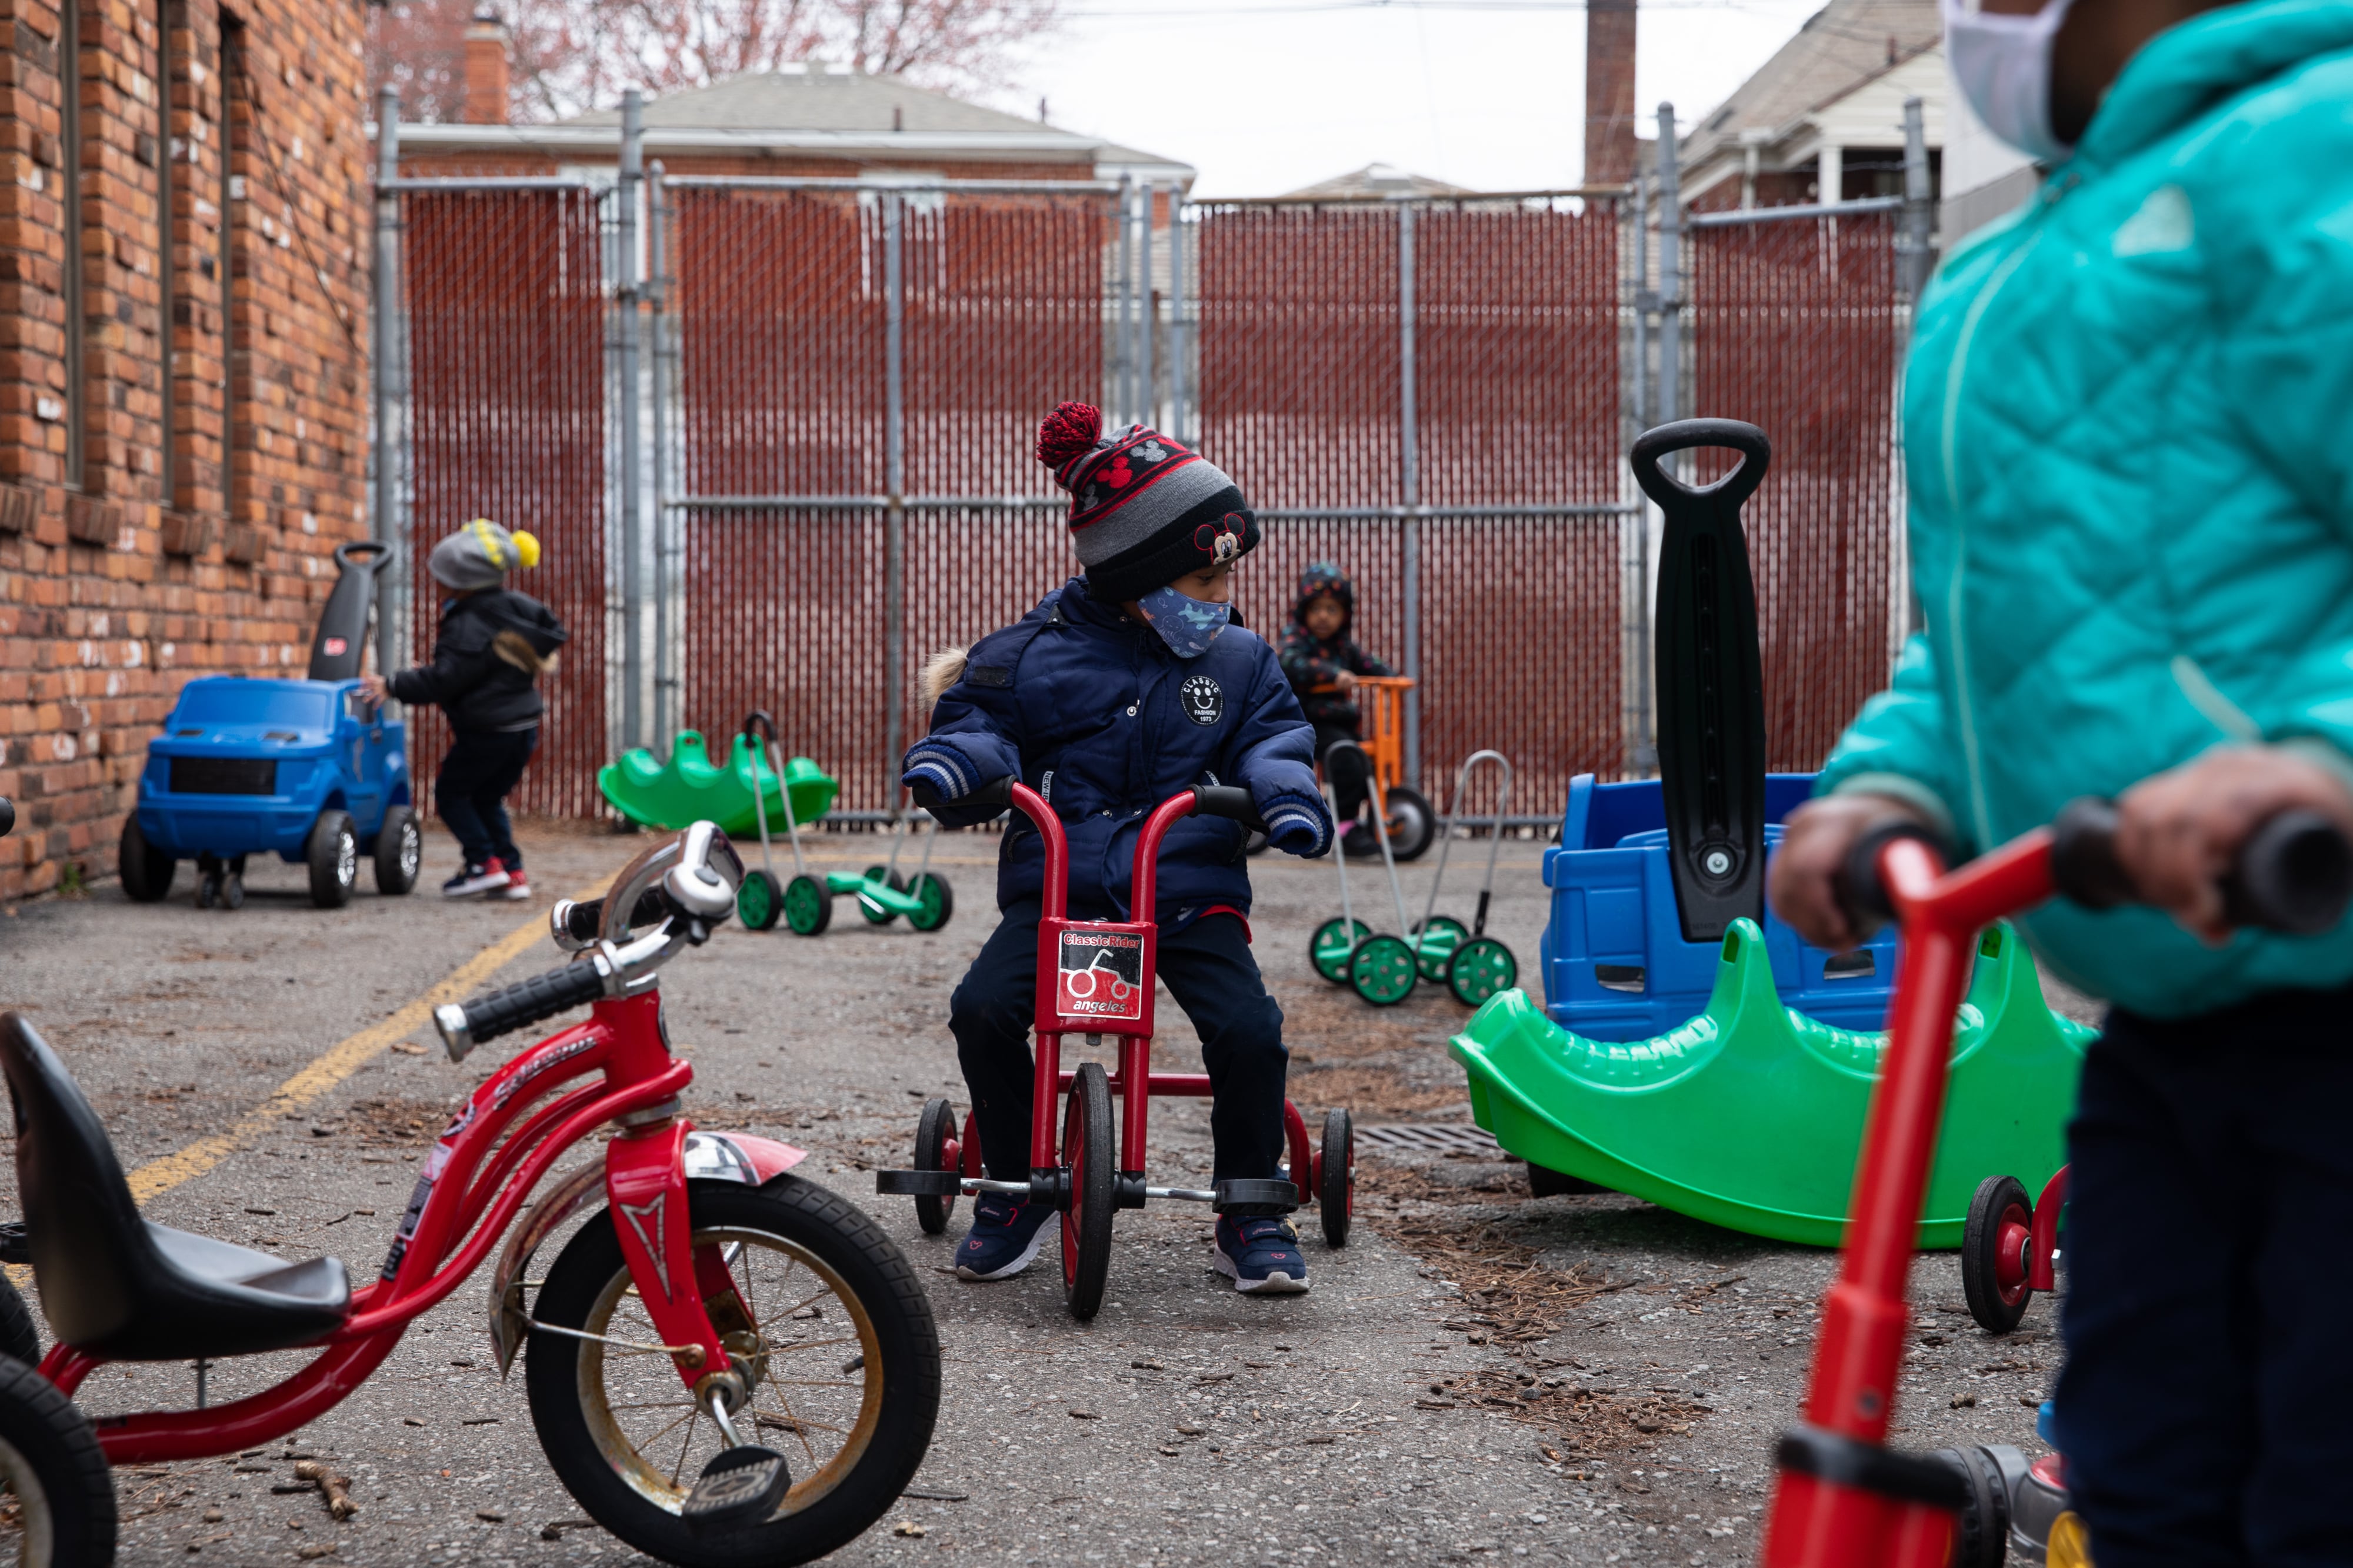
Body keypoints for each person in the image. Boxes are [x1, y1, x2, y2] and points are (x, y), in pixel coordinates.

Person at [1765, 1, 2353, 1562]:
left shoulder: (2315, 147)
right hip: (2176, 1030)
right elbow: (1997, 627)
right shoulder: (2012, 265)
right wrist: (1890, 787)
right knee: (2143, 1471)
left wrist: (2317, 760)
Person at [904, 401, 1333, 1295]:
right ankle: (1017, 1186)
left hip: (1185, 887)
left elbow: (1272, 738)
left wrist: (1285, 797)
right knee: (983, 1005)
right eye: (1206, 583)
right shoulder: (1034, 654)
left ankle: (1250, 1208)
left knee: (1249, 1029)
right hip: (1064, 893)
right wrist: (956, 765)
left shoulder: (1241, 661)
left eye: (1227, 581)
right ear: (1137, 574)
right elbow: (981, 719)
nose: (1224, 600)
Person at [361, 519, 566, 901]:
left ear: (459, 583)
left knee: (452, 795)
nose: (436, 586)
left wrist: (390, 685)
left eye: (441, 580)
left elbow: (445, 679)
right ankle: (512, 871)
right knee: (487, 798)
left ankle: (482, 865)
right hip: (523, 727)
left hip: (487, 730)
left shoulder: (467, 623)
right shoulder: (514, 609)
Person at [1278, 562, 1394, 854]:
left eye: (1332, 610)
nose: (1323, 617)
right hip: (1308, 721)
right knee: (1345, 758)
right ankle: (1343, 828)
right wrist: (1332, 674)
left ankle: (1361, 820)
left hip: (1339, 722)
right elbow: (1290, 662)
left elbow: (1367, 664)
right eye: (1317, 608)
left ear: (1344, 615)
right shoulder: (1297, 639)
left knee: (1364, 766)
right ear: (1304, 610)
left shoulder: (1343, 646)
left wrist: (1393, 677)